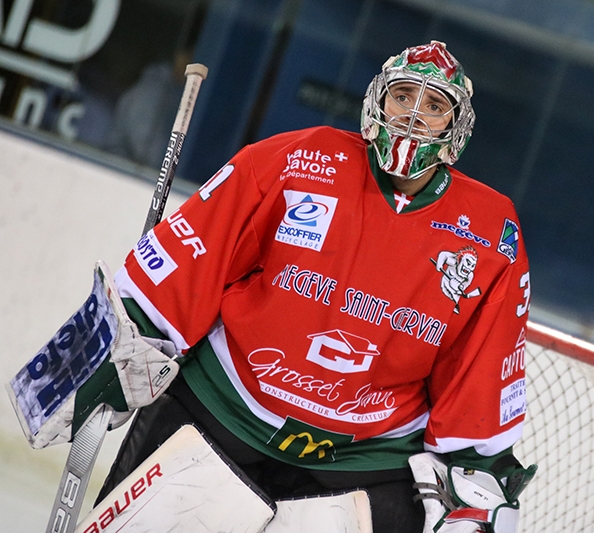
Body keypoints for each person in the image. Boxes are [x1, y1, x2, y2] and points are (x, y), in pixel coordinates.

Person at [97, 40, 535, 533]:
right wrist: (128, 327)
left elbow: (481, 362)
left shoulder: (492, 232)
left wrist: (475, 473)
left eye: (434, 106)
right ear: (377, 101)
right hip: (226, 405)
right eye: (403, 96)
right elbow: (200, 246)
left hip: (368, 456)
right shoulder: (300, 157)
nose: (413, 116)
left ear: (456, 128)